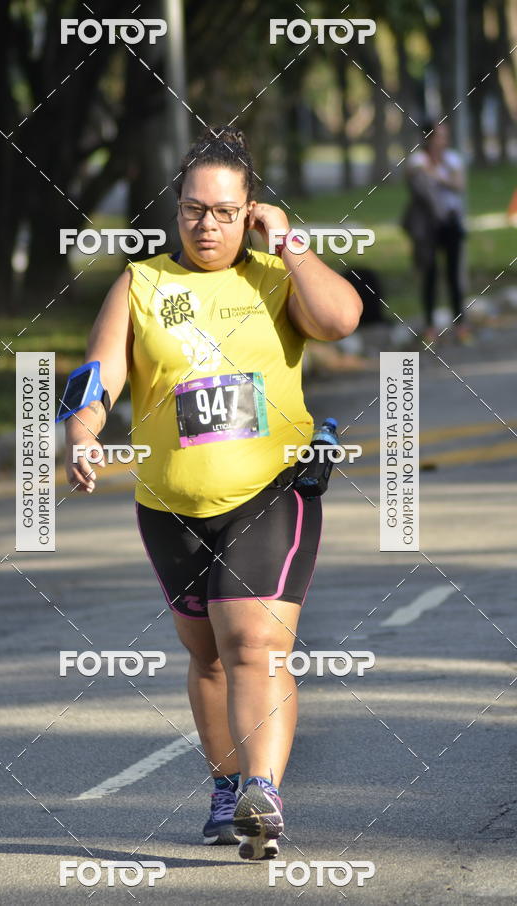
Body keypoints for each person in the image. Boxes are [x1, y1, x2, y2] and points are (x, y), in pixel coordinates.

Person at [63, 125, 362, 860]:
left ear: (250, 211)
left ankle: (264, 789)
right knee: (207, 655)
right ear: (177, 209)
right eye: (196, 209)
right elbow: (98, 375)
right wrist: (82, 430)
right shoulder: (142, 284)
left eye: (225, 212)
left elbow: (341, 318)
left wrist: (289, 243)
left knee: (253, 643)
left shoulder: (272, 276)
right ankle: (229, 785)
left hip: (272, 488)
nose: (208, 224)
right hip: (170, 503)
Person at [402, 120, 471, 345]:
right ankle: (430, 328)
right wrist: (440, 175)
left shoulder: (452, 158)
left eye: (445, 136)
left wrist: (436, 174)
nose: (443, 140)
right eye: (439, 136)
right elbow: (413, 175)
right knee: (429, 275)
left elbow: (459, 184)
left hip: (451, 223)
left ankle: (460, 326)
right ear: (429, 138)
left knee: (454, 276)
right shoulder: (417, 159)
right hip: (427, 227)